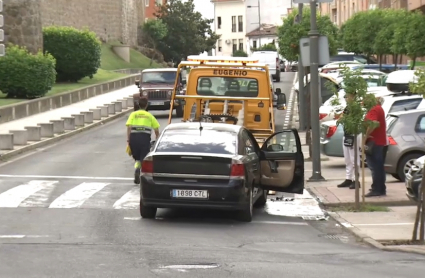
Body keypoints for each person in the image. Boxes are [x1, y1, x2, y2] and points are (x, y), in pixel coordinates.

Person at [126, 97, 160, 184]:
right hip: (144, 138)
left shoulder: (133, 114)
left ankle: (137, 168)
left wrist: (128, 139)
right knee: (143, 157)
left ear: (138, 104)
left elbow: (129, 127)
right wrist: (157, 139)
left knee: (137, 157)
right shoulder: (149, 116)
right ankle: (139, 171)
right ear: (146, 105)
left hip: (133, 138)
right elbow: (156, 129)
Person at [337, 94, 361, 189]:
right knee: (347, 159)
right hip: (347, 134)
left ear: (353, 96)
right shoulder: (348, 107)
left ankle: (356, 180)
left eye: (348, 96)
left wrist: (343, 118)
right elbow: (342, 118)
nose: (346, 98)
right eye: (345, 97)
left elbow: (355, 121)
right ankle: (348, 178)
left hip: (353, 135)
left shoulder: (356, 108)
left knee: (354, 158)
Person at [364, 97, 387, 197]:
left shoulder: (374, 109)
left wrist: (365, 137)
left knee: (375, 166)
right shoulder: (379, 108)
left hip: (374, 142)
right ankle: (381, 188)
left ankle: (377, 189)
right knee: (379, 166)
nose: (363, 103)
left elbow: (373, 123)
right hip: (379, 141)